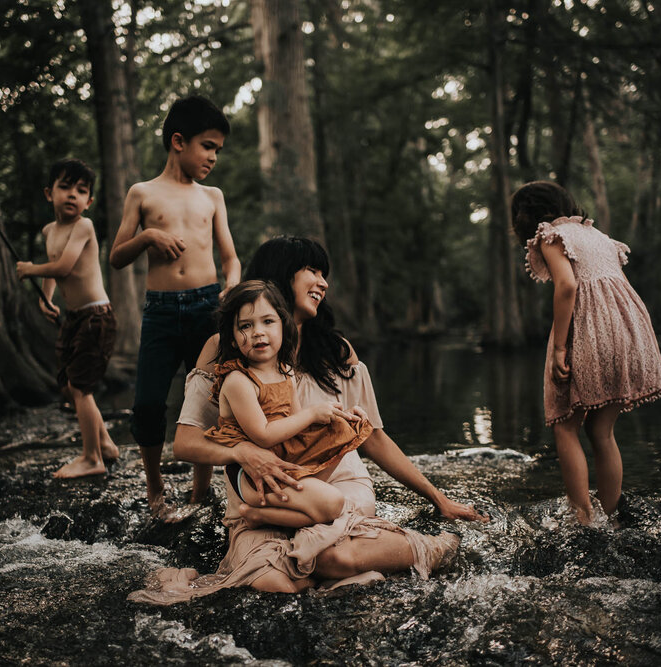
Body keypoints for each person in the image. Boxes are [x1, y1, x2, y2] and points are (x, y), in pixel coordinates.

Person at [128, 237, 486, 604]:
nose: (323, 282)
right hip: (263, 497)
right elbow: (187, 444)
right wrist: (244, 452)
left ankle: (427, 548)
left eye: (324, 273)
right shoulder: (225, 350)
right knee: (271, 582)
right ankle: (352, 576)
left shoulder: (336, 351)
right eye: (312, 271)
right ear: (283, 275)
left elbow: (374, 439)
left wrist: (438, 498)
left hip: (335, 488)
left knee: (331, 556)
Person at [109, 95, 241, 516]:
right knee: (149, 402)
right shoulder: (142, 194)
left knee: (204, 401)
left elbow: (230, 259)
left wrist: (232, 287)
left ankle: (200, 493)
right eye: (208, 146)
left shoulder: (212, 197)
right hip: (162, 311)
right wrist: (148, 238)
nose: (213, 157)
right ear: (178, 141)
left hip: (207, 308)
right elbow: (116, 256)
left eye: (218, 149)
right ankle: (155, 490)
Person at [511, 180, 661, 524]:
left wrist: (560, 348)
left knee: (565, 426)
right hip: (629, 329)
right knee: (602, 431)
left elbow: (567, 285)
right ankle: (609, 516)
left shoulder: (550, 236)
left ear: (530, 215)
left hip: (589, 331)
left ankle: (582, 518)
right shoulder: (598, 237)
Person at [206, 280, 372, 529]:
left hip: (285, 459)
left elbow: (297, 427)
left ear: (284, 327)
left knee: (345, 428)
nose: (257, 332)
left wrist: (339, 417)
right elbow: (263, 436)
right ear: (232, 339)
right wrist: (313, 413)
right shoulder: (238, 381)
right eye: (245, 326)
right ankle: (258, 514)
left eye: (268, 321)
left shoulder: (285, 370)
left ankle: (300, 497)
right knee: (334, 504)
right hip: (255, 476)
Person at [16, 158, 118, 479]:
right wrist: (45, 298)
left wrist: (30, 269)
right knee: (68, 386)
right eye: (65, 187)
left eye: (81, 190)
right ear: (49, 194)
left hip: (96, 317)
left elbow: (64, 268)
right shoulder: (49, 230)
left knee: (81, 387)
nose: (72, 195)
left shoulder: (83, 227)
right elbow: (54, 269)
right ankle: (107, 445)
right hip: (74, 318)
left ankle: (92, 458)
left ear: (89, 201)